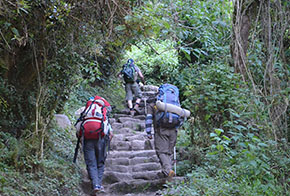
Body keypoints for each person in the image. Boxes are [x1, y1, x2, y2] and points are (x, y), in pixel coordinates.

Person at [75, 96, 113, 194]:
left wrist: (81, 140)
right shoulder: (103, 113)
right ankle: (98, 184)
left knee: (91, 163)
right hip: (101, 139)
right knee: (100, 163)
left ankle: (95, 184)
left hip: (87, 139)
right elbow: (110, 132)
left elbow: (78, 128)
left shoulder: (86, 111)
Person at [145, 84, 183, 181]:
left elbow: (149, 118)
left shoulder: (153, 103)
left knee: (161, 152)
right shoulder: (174, 102)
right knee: (169, 152)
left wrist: (148, 132)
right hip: (173, 129)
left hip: (161, 130)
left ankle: (168, 170)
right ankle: (166, 172)